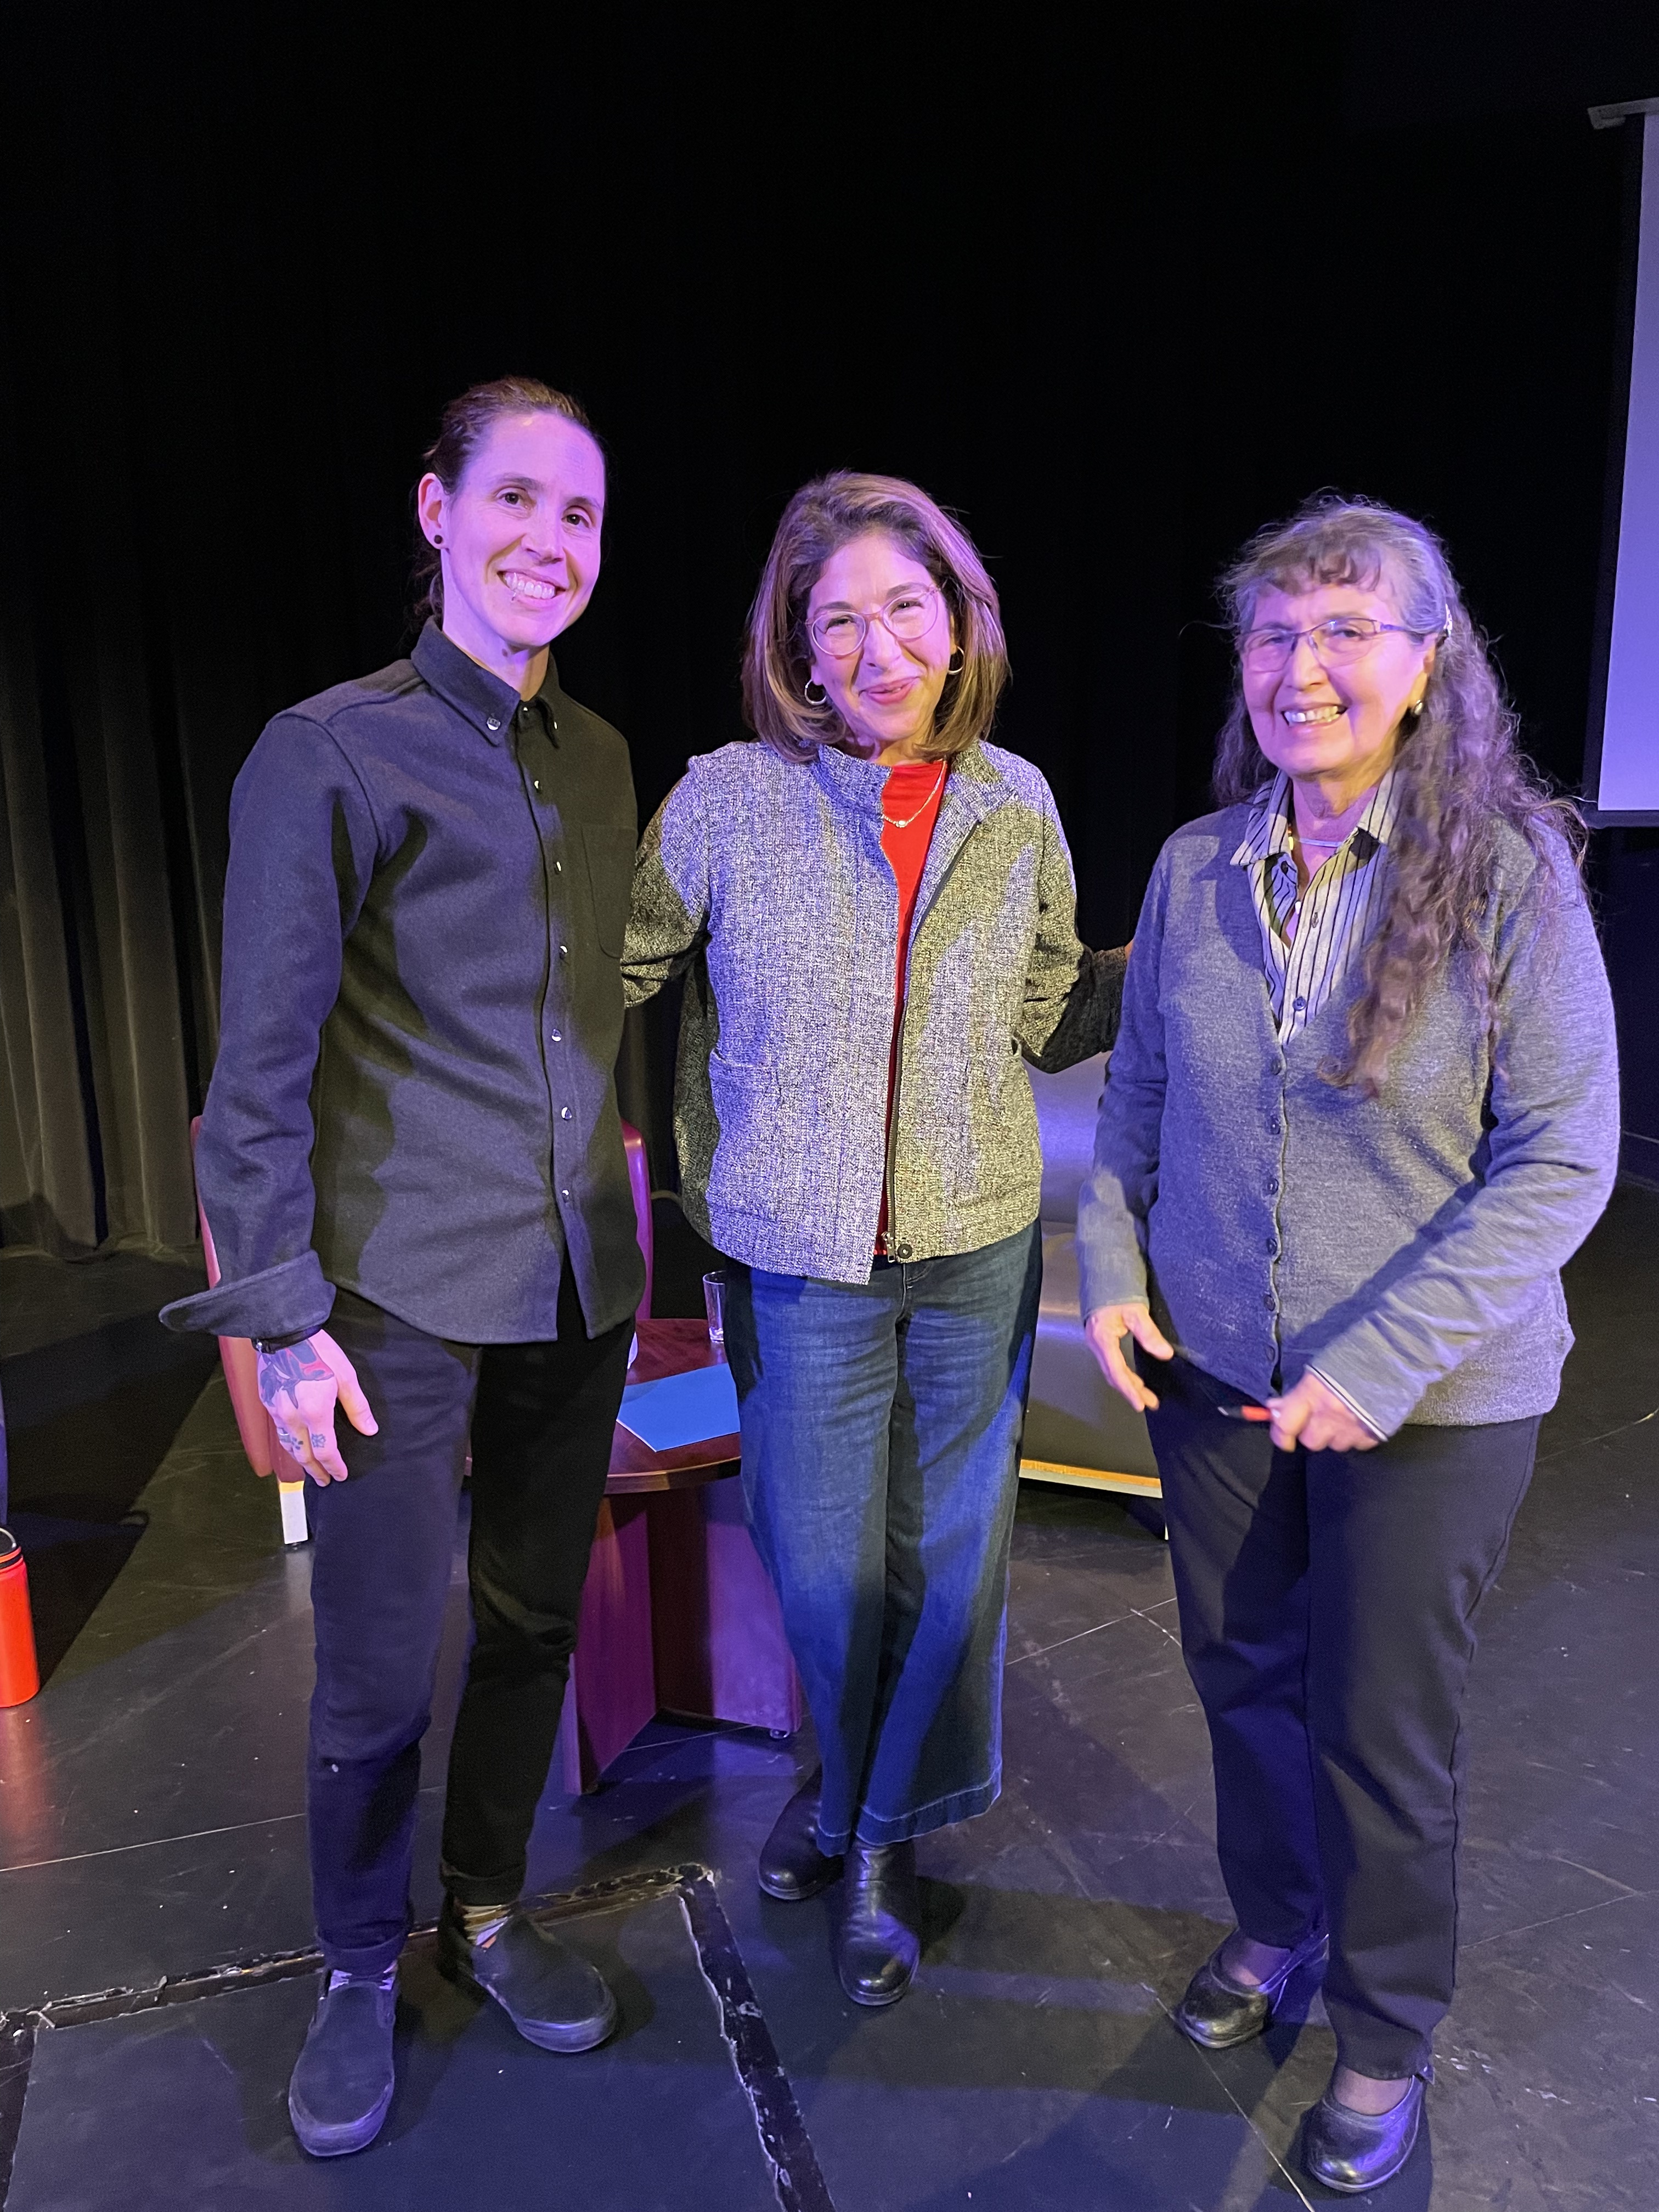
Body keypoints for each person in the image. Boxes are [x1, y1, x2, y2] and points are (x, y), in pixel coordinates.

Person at [1079, 495, 1619, 2193]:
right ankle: (1279, 1921)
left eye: (1345, 631)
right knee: (1243, 1680)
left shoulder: (1509, 873)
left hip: (1434, 1403)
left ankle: (1385, 2032)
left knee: (1380, 1727)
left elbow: (1566, 1160)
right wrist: (1111, 1266)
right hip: (1217, 1377)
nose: (1299, 667)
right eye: (1273, 633)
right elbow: (1139, 1097)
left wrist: (1375, 1368)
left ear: (1427, 662)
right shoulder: (1194, 868)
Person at [162, 376, 645, 2158]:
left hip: (577, 1279)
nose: (550, 540)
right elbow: (255, 1081)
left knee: (533, 1625)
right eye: (516, 498)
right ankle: (362, 1965)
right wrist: (282, 1326)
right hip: (391, 1297)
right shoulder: (331, 750)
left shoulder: (599, 758)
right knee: (374, 1670)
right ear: (438, 512)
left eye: (581, 512)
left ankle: (489, 1908)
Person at [624, 471, 1126, 2008]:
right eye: (836, 619)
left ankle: (882, 1837)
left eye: (906, 607)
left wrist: (1178, 950)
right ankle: (844, 1791)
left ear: (959, 623)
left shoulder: (1015, 802)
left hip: (976, 1242)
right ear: (796, 645)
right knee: (821, 1558)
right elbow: (615, 970)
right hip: (797, 1247)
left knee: (951, 1556)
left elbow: (1049, 1011)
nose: (876, 646)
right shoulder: (725, 799)